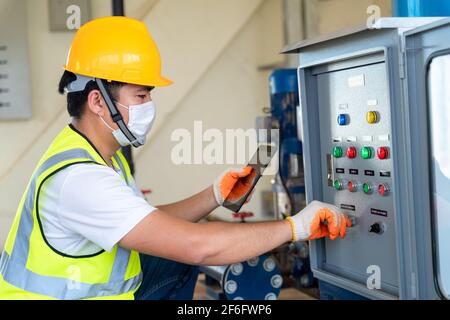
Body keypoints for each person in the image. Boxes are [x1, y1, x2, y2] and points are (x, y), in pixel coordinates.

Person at [0, 16, 351, 300]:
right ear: (96, 102)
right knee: (186, 253)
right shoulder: (81, 179)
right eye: (140, 95)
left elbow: (147, 223)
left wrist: (213, 195)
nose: (148, 106)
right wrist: (295, 227)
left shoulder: (99, 154)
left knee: (174, 258)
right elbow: (196, 247)